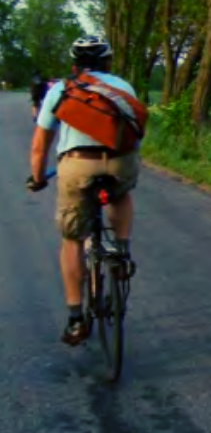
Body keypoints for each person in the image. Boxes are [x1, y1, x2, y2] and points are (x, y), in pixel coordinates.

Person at [25, 35, 141, 346]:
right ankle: (121, 249)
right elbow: (135, 131)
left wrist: (37, 177)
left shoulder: (61, 89)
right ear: (108, 62)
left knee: (72, 239)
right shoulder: (122, 87)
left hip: (77, 166)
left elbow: (40, 145)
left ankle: (76, 318)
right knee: (121, 193)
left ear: (75, 63)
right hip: (120, 163)